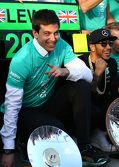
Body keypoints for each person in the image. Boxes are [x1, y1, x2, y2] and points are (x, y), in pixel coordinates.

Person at [0, 9, 109, 167]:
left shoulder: (62, 45)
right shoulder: (22, 59)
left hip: (47, 104)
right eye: (47, 33)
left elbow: (88, 75)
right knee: (57, 128)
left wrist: (66, 71)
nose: (53, 39)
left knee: (81, 87)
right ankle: (23, 142)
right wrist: (8, 150)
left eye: (56, 33)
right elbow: (12, 106)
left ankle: (84, 147)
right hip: (26, 111)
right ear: (35, 33)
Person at [79, 28, 119, 152]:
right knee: (93, 110)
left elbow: (118, 92)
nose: (109, 47)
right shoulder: (80, 62)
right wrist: (97, 74)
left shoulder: (112, 62)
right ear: (92, 47)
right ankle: (91, 137)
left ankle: (108, 135)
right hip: (85, 108)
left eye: (110, 43)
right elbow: (83, 95)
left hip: (103, 106)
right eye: (103, 44)